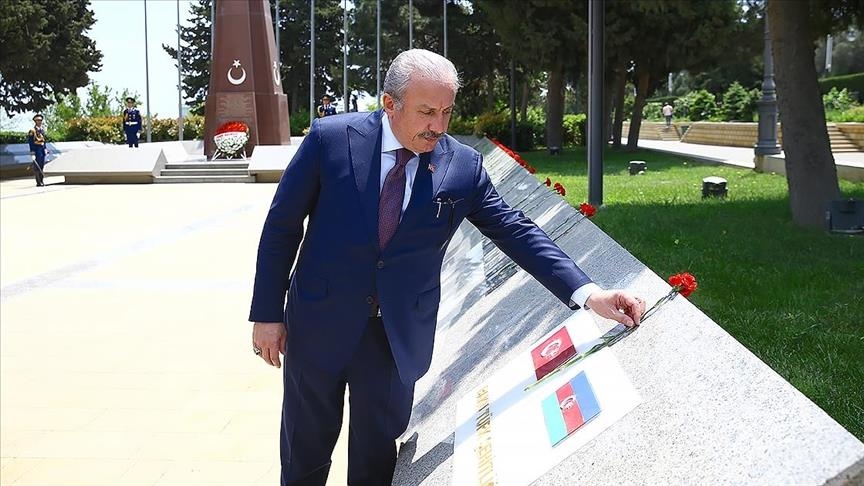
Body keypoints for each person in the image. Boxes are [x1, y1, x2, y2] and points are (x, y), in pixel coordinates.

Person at [249, 49, 645, 486]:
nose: (438, 126)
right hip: (317, 326)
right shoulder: (330, 139)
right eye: (426, 112)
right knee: (304, 455)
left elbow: (515, 230)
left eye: (447, 112)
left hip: (394, 339)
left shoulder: (462, 165)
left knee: (375, 463)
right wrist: (267, 314)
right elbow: (282, 227)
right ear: (390, 103)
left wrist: (590, 294)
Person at [27, 114, 48, 187]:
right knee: (37, 166)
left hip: (42, 150)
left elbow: (44, 141)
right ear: (35, 121)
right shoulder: (32, 131)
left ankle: (42, 180)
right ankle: (38, 182)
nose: (40, 122)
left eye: (41, 120)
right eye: (38, 120)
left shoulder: (42, 130)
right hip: (36, 150)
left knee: (41, 165)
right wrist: (32, 153)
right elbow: (31, 143)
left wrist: (45, 148)